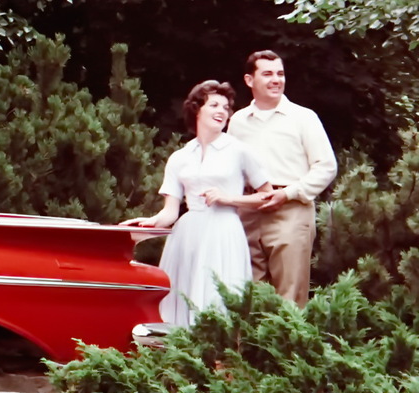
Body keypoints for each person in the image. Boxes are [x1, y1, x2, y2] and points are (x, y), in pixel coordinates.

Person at [124, 80, 270, 327]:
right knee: (184, 295)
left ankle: (222, 361)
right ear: (196, 109)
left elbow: (267, 195)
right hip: (188, 235)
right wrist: (144, 225)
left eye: (226, 107)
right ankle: (183, 358)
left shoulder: (238, 150)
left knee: (220, 296)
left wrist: (229, 199)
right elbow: (169, 213)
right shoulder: (180, 157)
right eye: (214, 105)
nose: (222, 111)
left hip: (224, 232)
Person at [228, 50, 336, 306]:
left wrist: (288, 193)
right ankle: (251, 348)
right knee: (249, 295)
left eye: (280, 73)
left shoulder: (304, 118)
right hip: (249, 212)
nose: (276, 79)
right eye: (267, 74)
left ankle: (290, 347)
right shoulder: (238, 121)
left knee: (290, 298)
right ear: (249, 80)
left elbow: (326, 166)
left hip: (291, 210)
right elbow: (230, 169)